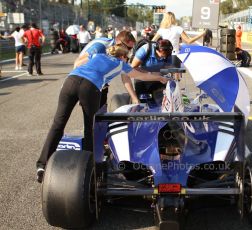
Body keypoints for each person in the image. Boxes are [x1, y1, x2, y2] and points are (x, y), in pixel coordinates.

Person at [36, 44, 168, 183]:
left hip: (71, 80)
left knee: (58, 123)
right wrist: (159, 77)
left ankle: (42, 166)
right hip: (90, 87)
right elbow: (142, 75)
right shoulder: (119, 63)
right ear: (122, 56)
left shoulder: (98, 55)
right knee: (90, 128)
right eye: (127, 58)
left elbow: (79, 62)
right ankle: (88, 170)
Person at [74, 30, 138, 106]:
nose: (129, 51)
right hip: (84, 81)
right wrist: (79, 92)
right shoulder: (101, 47)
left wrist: (134, 97)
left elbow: (125, 76)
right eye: (129, 48)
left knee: (102, 111)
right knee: (92, 113)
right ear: (120, 43)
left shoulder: (121, 53)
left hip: (100, 81)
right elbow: (77, 64)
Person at [131, 39, 173, 105]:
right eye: (162, 56)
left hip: (158, 78)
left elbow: (169, 68)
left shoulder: (167, 53)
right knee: (143, 102)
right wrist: (150, 74)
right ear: (157, 50)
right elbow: (133, 67)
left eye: (166, 56)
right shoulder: (145, 50)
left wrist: (168, 75)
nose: (164, 57)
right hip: (142, 77)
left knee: (160, 102)